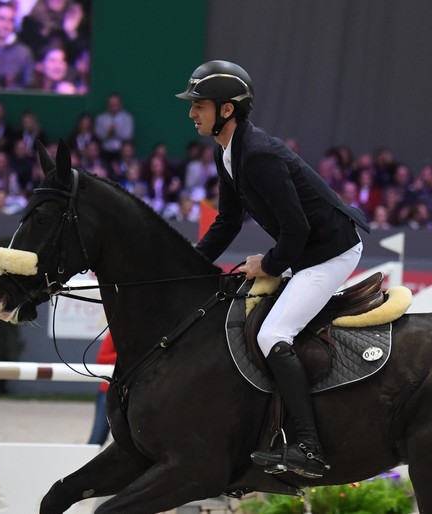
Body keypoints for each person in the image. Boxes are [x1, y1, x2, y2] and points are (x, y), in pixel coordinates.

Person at [175, 60, 369, 479]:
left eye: (199, 106)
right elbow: (227, 221)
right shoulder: (227, 151)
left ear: (226, 110)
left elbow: (297, 229)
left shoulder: (258, 154)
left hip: (331, 253)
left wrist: (268, 263)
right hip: (305, 250)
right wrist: (188, 263)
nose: (192, 113)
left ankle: (309, 448)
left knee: (272, 334)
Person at [87, 331, 116, 445]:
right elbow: (101, 358)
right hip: (108, 391)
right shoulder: (116, 331)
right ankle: (84, 461)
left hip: (136, 393)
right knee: (98, 438)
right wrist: (127, 354)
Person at [94, 92, 134, 164]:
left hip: (121, 153)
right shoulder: (101, 118)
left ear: (120, 104)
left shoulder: (127, 118)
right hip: (104, 151)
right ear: (107, 105)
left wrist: (116, 131)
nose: (113, 106)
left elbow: (128, 136)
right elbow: (98, 136)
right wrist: (108, 132)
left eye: (115, 104)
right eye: (111, 104)